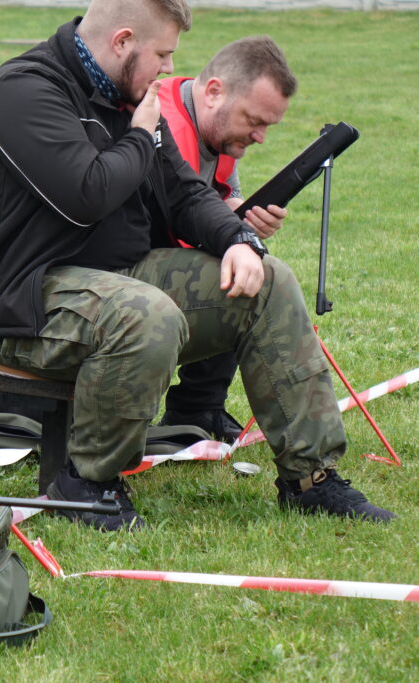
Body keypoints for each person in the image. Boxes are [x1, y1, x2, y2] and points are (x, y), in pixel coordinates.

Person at [0, 0, 394, 531]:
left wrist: (239, 239)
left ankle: (312, 480)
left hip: (112, 280)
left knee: (268, 281)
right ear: (122, 42)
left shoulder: (126, 98)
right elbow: (87, 194)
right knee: (145, 314)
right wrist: (142, 136)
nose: (169, 69)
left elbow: (185, 194)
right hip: (18, 299)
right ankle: (85, 483)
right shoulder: (25, 91)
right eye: (163, 54)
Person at [157, 36, 296, 442]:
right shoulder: (160, 121)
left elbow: (222, 197)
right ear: (215, 91)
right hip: (130, 264)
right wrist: (231, 232)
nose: (260, 137)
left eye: (267, 126)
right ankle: (195, 408)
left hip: (174, 253)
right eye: (254, 121)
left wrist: (246, 220)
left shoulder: (219, 127)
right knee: (232, 272)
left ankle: (200, 409)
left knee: (244, 264)